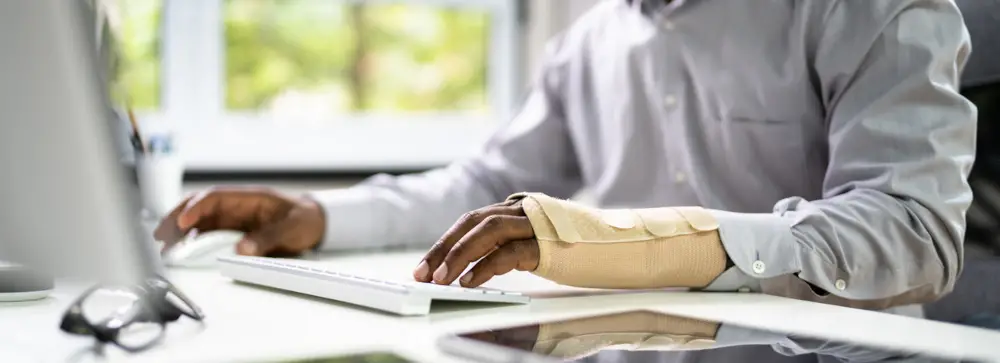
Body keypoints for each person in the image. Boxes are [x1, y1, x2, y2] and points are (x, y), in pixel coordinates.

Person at [157, 0, 975, 360]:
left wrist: (631, 241)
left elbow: (917, 229)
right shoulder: (590, 42)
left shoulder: (868, 7)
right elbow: (487, 184)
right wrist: (320, 215)